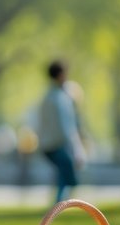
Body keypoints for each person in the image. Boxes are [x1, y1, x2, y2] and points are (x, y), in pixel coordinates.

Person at [36, 60, 85, 204]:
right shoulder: (60, 98)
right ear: (61, 75)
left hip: (47, 144)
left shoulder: (47, 97)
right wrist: (77, 148)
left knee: (62, 173)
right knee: (68, 172)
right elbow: (67, 127)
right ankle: (61, 203)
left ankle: (61, 202)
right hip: (57, 144)